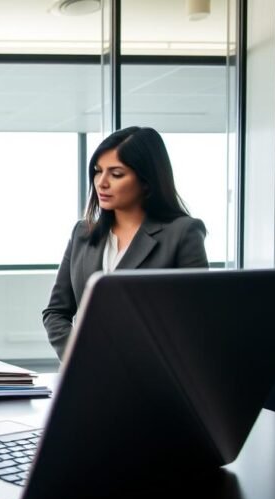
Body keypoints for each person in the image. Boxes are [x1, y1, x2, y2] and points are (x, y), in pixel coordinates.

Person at [42, 126, 208, 359]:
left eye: (116, 174)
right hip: (87, 376)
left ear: (147, 181)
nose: (101, 183)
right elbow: (56, 312)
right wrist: (79, 356)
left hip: (151, 376)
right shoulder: (83, 232)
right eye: (98, 171)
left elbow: (196, 319)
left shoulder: (182, 233)